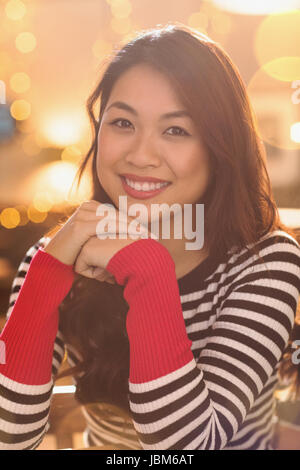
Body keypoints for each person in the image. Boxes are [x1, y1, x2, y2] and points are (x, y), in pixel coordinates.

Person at [1, 23, 300, 451]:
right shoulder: (56, 256)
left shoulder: (266, 262)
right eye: (122, 122)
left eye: (176, 130)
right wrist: (47, 274)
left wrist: (148, 269)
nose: (140, 156)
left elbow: (190, 447)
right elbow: (9, 438)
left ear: (220, 147)